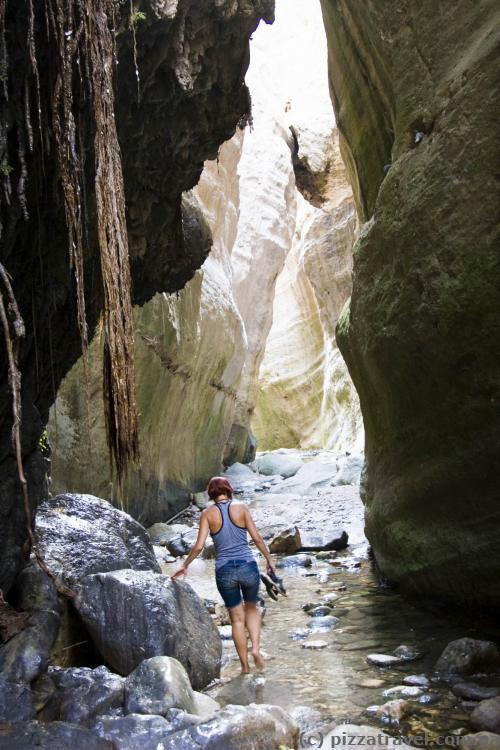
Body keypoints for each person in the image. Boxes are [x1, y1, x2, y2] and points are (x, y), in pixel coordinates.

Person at [171, 476, 275, 673]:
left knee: (236, 619)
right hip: (247, 565)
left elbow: (199, 546)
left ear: (211, 493)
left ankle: (245, 667)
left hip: (225, 570)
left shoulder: (207, 514)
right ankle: (256, 649)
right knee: (252, 608)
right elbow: (257, 538)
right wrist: (269, 560)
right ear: (228, 490)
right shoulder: (241, 508)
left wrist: (185, 565)